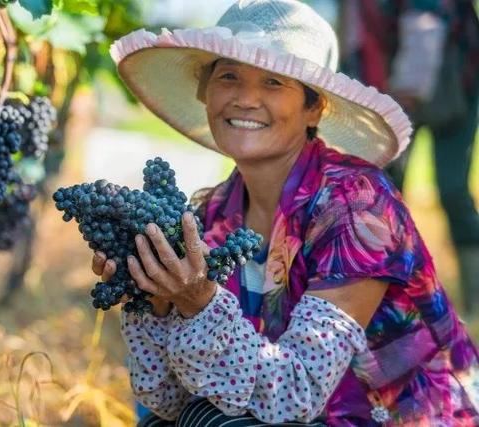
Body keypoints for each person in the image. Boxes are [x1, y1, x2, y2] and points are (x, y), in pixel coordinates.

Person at [90, 0, 479, 425]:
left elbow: (296, 390)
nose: (246, 99)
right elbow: (165, 398)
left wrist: (199, 304)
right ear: (205, 91)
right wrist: (158, 304)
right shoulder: (211, 214)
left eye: (273, 82)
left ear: (314, 109)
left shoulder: (356, 207)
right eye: (228, 77)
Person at [338, 0, 479, 316]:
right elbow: (352, 41)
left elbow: (425, 30)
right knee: (386, 191)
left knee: (453, 189)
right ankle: (387, 298)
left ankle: (475, 301)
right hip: (392, 91)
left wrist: (399, 102)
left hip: (454, 87)